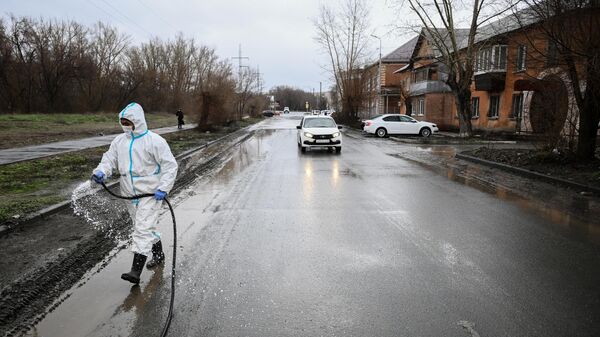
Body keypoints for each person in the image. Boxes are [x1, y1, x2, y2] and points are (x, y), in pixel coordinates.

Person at [91, 102, 178, 284]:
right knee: (145, 227)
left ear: (137, 121)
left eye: (128, 122)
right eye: (122, 122)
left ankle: (135, 272)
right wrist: (102, 171)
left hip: (150, 193)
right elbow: (109, 159)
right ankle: (159, 255)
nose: (125, 126)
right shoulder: (119, 141)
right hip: (129, 193)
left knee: (142, 229)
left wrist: (163, 187)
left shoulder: (154, 141)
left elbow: (170, 166)